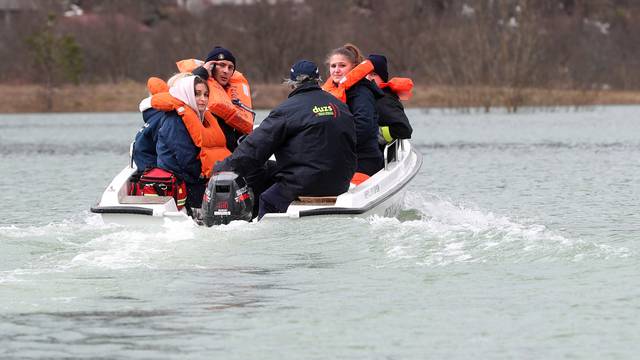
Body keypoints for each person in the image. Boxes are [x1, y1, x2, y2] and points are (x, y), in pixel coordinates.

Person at [214, 60, 357, 219]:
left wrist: (223, 168)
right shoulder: (340, 106)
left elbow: (254, 149)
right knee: (270, 167)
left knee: (267, 198)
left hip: (305, 183)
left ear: (292, 84)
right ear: (318, 80)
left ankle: (261, 234)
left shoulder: (287, 110)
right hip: (341, 181)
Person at [323, 43, 384, 176]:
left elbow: (363, 127)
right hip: (338, 160)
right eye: (333, 66)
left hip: (363, 160)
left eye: (342, 65)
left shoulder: (362, 92)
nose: (336, 70)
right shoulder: (327, 94)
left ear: (354, 67)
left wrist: (336, 146)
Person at [177, 46, 254, 151]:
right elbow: (183, 93)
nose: (226, 71)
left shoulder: (233, 96)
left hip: (228, 155)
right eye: (221, 65)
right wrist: (202, 72)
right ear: (211, 67)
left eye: (230, 67)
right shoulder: (198, 89)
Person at [366, 54, 414, 145]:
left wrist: (375, 133)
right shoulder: (367, 96)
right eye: (366, 74)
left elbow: (404, 129)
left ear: (382, 78)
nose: (369, 78)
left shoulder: (384, 100)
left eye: (374, 74)